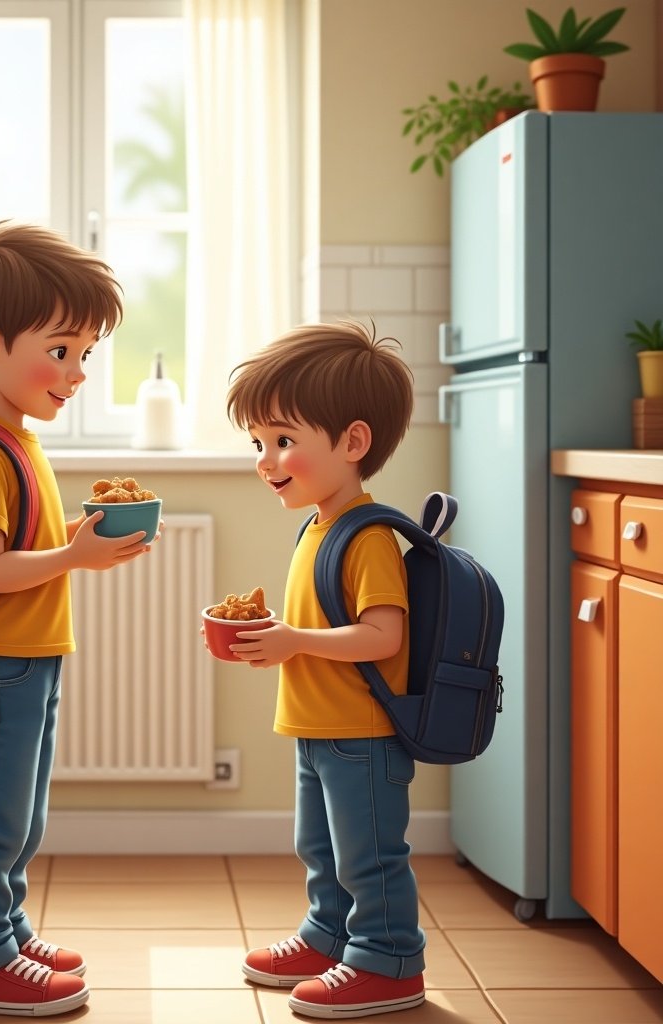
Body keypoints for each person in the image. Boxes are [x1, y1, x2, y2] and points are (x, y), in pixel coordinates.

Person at [0, 219, 154, 1016]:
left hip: (24, 654)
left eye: (86, 354)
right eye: (60, 351)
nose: (78, 371)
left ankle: (6, 929)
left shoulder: (18, 442)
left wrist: (75, 540)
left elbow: (13, 545)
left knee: (19, 813)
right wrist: (73, 559)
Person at [225, 320, 426, 1019]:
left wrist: (296, 643)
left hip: (362, 728)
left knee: (368, 852)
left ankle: (389, 959)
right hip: (321, 723)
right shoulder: (318, 523)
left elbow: (382, 636)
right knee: (322, 845)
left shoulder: (367, 534)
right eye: (259, 443)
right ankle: (330, 936)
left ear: (353, 443)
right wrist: (276, 640)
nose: (265, 457)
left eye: (282, 440)